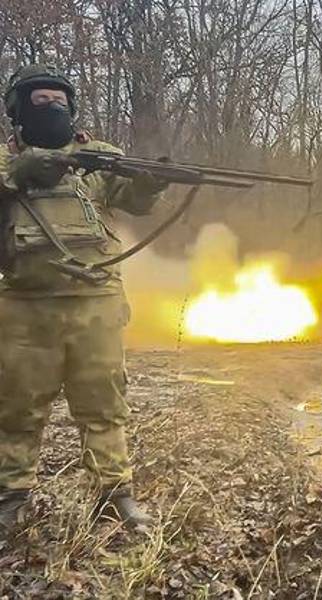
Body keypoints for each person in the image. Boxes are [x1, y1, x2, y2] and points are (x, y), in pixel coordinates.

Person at [0, 64, 167, 539]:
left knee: (104, 402)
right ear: (16, 112)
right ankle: (11, 496)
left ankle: (115, 495)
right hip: (25, 304)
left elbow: (135, 201)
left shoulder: (97, 159)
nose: (51, 108)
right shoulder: (4, 161)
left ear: (72, 108)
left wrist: (150, 181)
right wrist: (21, 172)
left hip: (96, 300)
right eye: (39, 101)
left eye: (58, 100)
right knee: (16, 407)